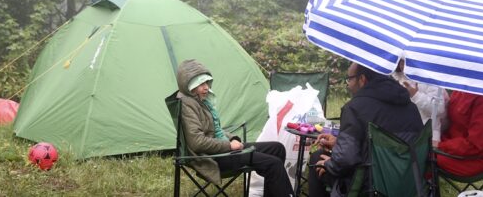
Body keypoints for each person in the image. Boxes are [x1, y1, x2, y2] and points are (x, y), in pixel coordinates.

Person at [175, 59, 293, 197]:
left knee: (277, 148)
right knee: (273, 163)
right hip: (212, 157)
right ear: (189, 85)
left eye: (206, 82)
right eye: (201, 84)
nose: (206, 87)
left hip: (221, 149)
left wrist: (233, 139)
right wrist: (229, 146)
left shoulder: (200, 101)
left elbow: (214, 130)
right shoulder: (187, 105)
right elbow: (197, 142)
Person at [308, 62, 424, 197]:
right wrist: (339, 142)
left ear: (362, 79)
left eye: (350, 79)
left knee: (318, 161)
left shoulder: (355, 107)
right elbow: (388, 145)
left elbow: (346, 160)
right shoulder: (411, 107)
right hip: (408, 185)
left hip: (369, 187)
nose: (348, 84)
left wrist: (330, 165)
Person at [435, 90, 483, 177]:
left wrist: (440, 145)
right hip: (453, 142)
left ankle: (426, 187)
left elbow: (474, 145)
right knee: (421, 144)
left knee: (425, 156)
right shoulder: (463, 87)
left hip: (476, 157)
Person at [392, 58, 449, 143]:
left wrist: (416, 95)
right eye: (401, 62)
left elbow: (439, 108)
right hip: (409, 132)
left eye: (405, 61)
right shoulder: (402, 79)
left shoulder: (431, 79)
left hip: (429, 134)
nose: (402, 65)